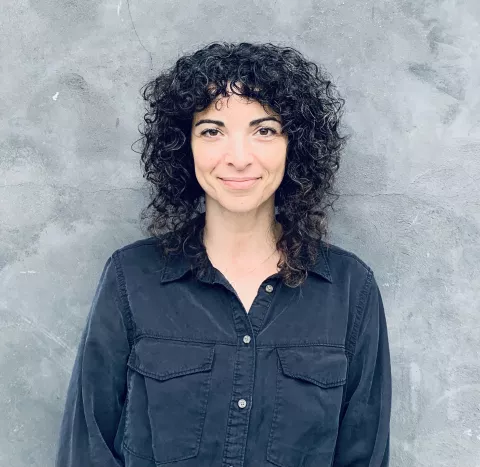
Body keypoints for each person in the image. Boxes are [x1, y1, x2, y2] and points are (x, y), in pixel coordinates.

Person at [55, 41, 391, 467]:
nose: (238, 158)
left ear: (295, 145)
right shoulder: (130, 277)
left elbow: (365, 456)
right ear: (184, 146)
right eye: (212, 131)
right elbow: (86, 450)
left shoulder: (350, 289)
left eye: (264, 130)